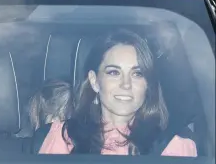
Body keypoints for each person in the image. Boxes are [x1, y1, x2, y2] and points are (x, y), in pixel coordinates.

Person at [38, 29, 197, 156]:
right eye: (114, 72)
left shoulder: (172, 147)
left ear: (147, 84)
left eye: (137, 73)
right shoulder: (64, 137)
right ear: (94, 81)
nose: (126, 84)